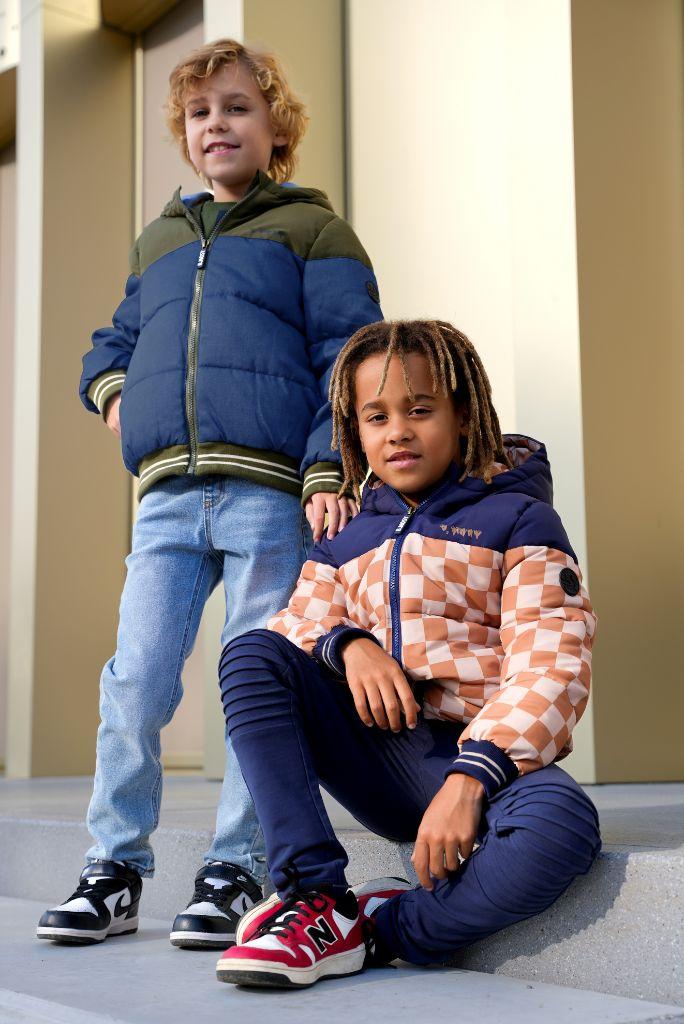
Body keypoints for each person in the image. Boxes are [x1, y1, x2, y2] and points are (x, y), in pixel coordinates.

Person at [37, 38, 382, 950]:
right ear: (184, 134)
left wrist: (327, 468)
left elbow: (350, 361)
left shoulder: (314, 231)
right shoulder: (159, 239)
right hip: (166, 499)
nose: (215, 124)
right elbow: (114, 341)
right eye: (199, 113)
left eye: (236, 108)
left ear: (277, 129)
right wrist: (114, 392)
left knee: (251, 683)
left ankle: (235, 868)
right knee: (137, 679)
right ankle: (114, 869)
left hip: (270, 493)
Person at [215, 319, 601, 988]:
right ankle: (314, 896)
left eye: (420, 409)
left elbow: (552, 661)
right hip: (380, 754)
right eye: (377, 416)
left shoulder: (518, 519)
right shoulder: (346, 537)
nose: (398, 431)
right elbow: (297, 621)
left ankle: (380, 929)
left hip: (479, 764)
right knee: (252, 655)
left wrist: (471, 778)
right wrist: (348, 645)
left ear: (463, 414)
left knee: (562, 826)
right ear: (355, 431)